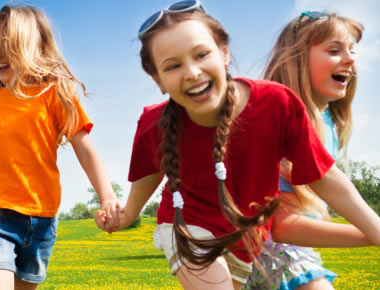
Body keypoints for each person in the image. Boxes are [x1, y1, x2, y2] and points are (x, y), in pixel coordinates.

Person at [97, 1, 380, 289]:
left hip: (246, 238)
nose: (193, 72)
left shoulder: (276, 104)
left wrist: (376, 230)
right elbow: (150, 172)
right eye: (173, 66)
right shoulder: (153, 123)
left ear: (224, 52)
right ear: (157, 79)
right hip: (187, 226)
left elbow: (325, 176)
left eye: (202, 54)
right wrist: (128, 213)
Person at [0, 4, 119, 289]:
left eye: (5, 45)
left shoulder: (55, 93)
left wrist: (107, 197)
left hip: (41, 220)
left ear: (32, 45)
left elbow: (86, 150)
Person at [245, 11, 369, 290]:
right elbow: (282, 226)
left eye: (352, 50)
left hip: (290, 252)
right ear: (298, 58)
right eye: (334, 50)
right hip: (271, 253)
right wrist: (371, 233)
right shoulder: (279, 122)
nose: (350, 59)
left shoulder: (328, 123)